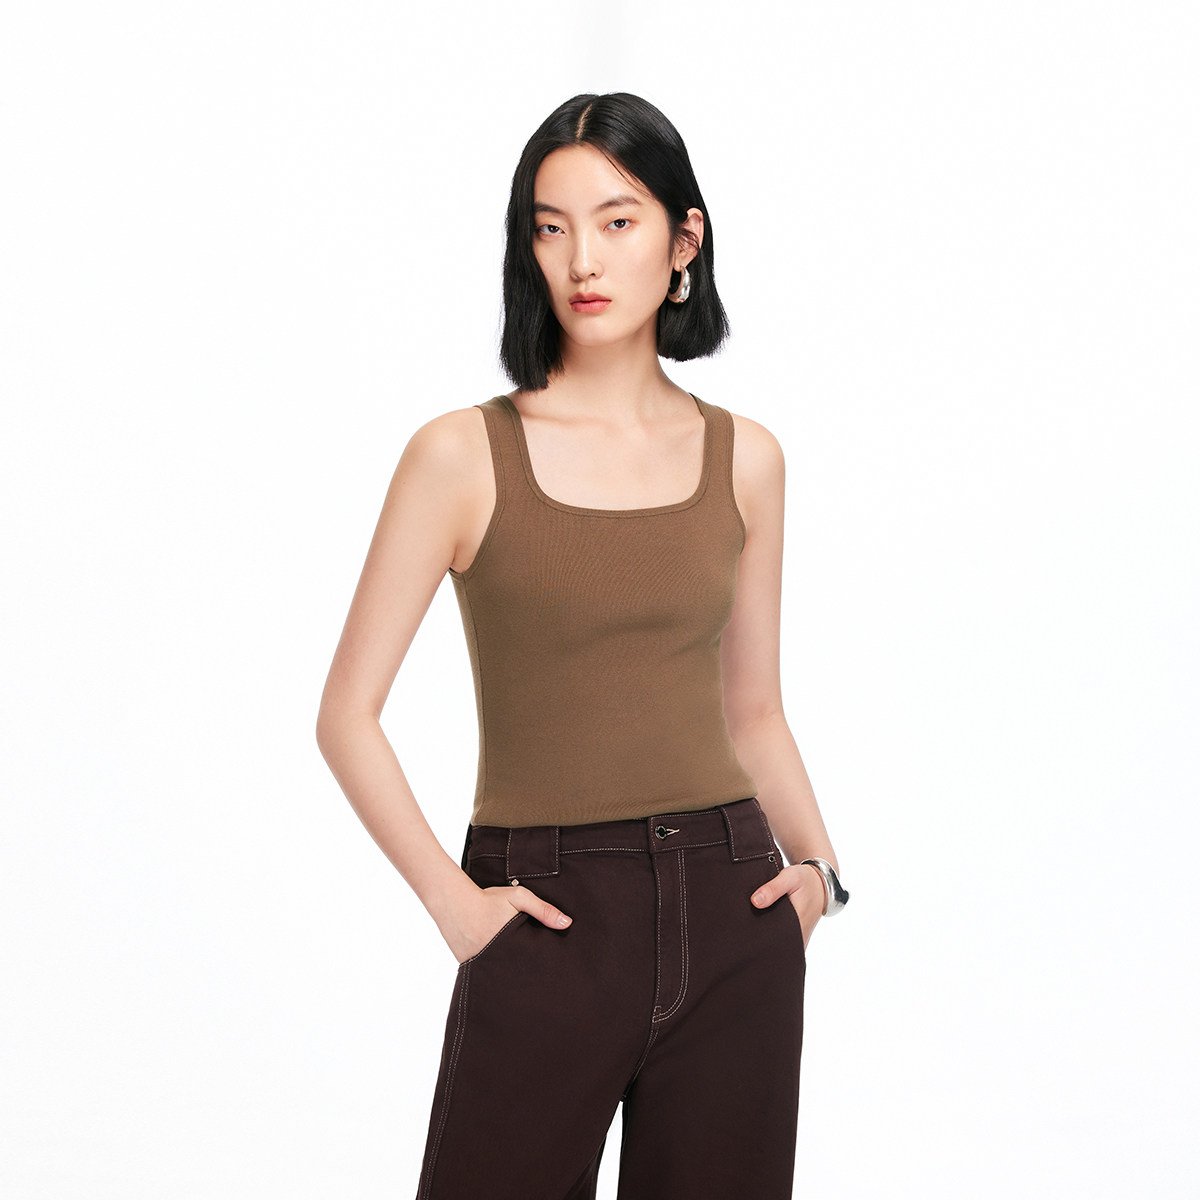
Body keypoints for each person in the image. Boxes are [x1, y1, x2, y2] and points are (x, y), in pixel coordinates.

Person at [316, 91, 849, 1200]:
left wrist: (820, 877)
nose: (582, 260)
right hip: (545, 911)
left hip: (732, 905)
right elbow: (346, 717)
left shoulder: (747, 458)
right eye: (550, 227)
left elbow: (754, 710)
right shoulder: (461, 455)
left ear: (684, 240)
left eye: (617, 221)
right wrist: (459, 909)